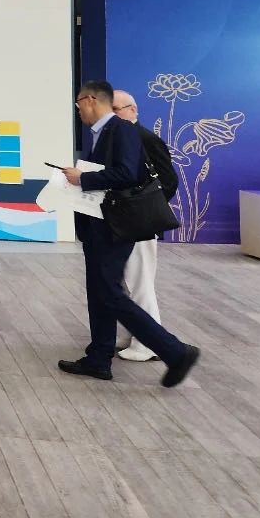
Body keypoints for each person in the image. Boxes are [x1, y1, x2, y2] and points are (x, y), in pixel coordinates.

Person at [59, 80, 200, 386]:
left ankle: (175, 351)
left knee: (109, 293)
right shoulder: (102, 133)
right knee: (99, 292)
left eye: (79, 103)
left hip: (117, 226)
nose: (78, 110)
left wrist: (83, 178)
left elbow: (126, 174)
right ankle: (99, 358)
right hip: (100, 225)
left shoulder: (121, 130)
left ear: (91, 100)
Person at [111, 89, 180, 361]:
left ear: (132, 110)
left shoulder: (145, 138)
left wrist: (143, 208)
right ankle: (136, 335)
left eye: (116, 110)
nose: (111, 115)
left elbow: (168, 181)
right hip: (124, 221)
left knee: (139, 281)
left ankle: (148, 343)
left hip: (139, 221)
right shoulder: (121, 139)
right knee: (125, 282)